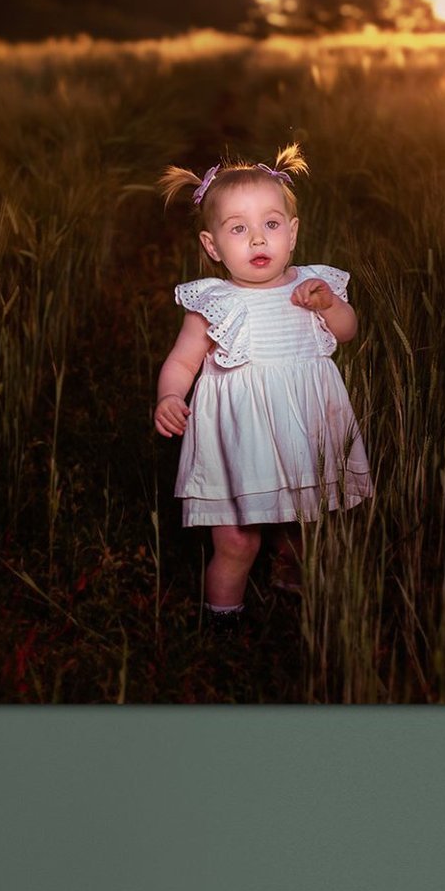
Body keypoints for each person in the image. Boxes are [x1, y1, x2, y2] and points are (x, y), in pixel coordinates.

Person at [152, 145, 373, 623]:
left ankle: (292, 573)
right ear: (213, 247)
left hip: (301, 430)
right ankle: (223, 618)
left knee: (301, 520)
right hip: (236, 441)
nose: (257, 240)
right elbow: (181, 361)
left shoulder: (314, 285)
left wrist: (329, 305)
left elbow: (348, 330)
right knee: (236, 539)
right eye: (239, 229)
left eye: (271, 225)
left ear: (292, 234)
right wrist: (170, 394)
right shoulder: (213, 301)